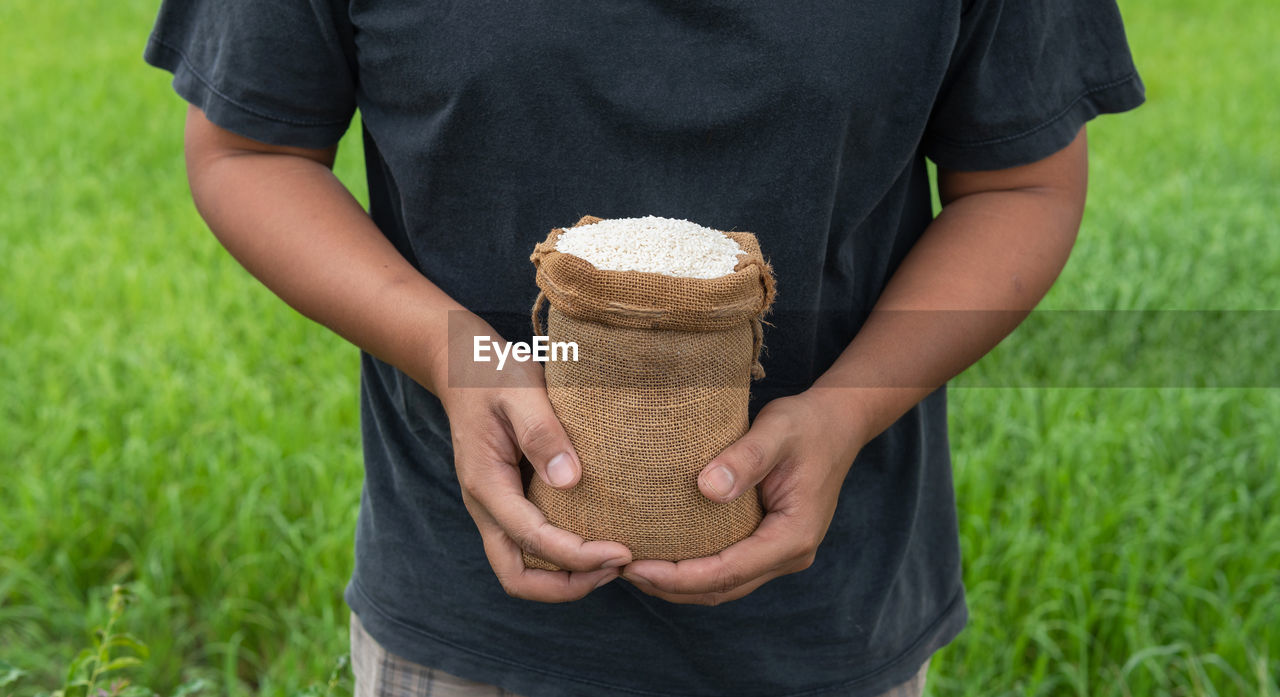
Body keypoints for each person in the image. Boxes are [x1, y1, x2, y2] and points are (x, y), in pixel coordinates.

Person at [144, 2, 1143, 696]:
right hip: (467, 612)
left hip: (825, 618)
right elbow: (249, 148)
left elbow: (1017, 184)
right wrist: (459, 357)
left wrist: (845, 409)